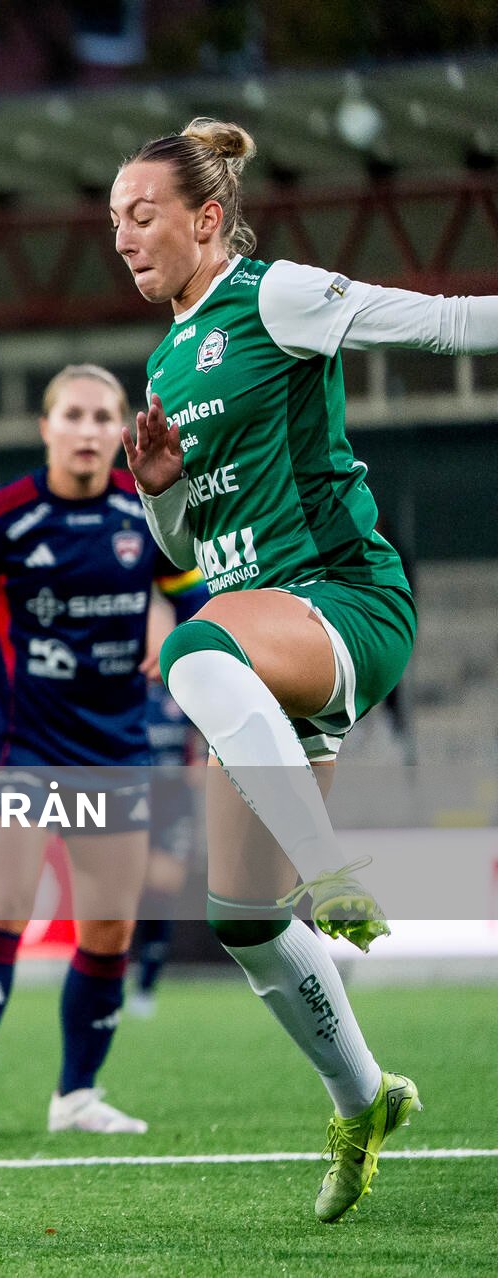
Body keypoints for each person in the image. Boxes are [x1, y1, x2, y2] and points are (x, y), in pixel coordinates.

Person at [110, 117, 498, 1220]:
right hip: (261, 639)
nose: (125, 239)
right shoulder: (167, 355)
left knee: (187, 648)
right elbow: (190, 551)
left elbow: (429, 324)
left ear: (207, 217)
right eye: (113, 223)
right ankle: (366, 1097)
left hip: (341, 601)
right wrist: (159, 485)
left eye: (142, 217)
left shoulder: (271, 296)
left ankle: (330, 867)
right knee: (238, 914)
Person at [0, 364, 207, 1138]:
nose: (90, 430)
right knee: (3, 911)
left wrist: (180, 638)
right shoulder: (1, 517)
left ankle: (77, 1095)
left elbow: (194, 596)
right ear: (46, 427)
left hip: (115, 748)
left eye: (105, 417)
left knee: (109, 930)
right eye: (73, 414)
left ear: (122, 431)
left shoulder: (147, 513)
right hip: (20, 747)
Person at [128, 678, 202, 1019]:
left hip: (174, 804)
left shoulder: (185, 692)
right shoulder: (122, 690)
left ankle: (146, 986)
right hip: (131, 801)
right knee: (128, 892)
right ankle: (114, 973)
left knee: (163, 889)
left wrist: (199, 762)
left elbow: (201, 742)